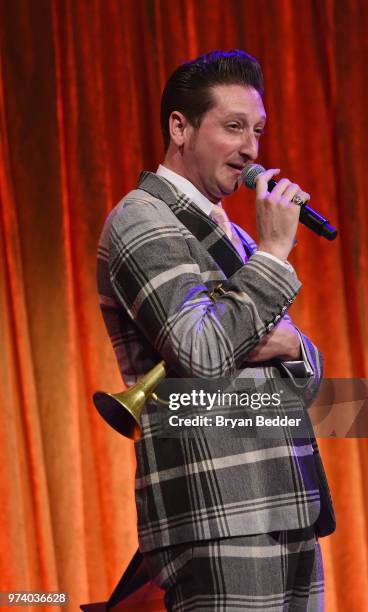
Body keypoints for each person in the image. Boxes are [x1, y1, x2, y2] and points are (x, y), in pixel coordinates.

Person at [97, 50, 335, 611]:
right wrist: (276, 252)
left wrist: (294, 346)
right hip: (219, 514)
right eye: (233, 127)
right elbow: (202, 352)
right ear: (180, 128)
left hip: (288, 501)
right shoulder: (141, 217)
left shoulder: (237, 238)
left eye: (257, 130)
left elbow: (302, 383)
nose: (252, 148)